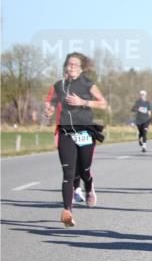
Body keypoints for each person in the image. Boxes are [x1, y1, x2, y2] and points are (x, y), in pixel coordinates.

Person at [43, 53, 108, 227]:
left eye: (74, 65)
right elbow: (50, 104)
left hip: (85, 132)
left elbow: (103, 103)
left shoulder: (87, 83)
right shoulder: (59, 86)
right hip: (66, 133)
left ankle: (89, 184)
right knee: (68, 174)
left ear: (81, 68)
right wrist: (48, 110)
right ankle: (67, 212)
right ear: (65, 67)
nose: (71, 67)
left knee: (84, 169)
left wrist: (83, 102)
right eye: (69, 64)